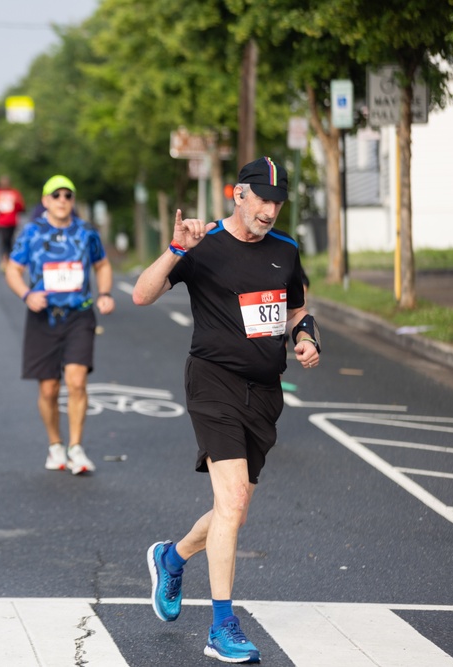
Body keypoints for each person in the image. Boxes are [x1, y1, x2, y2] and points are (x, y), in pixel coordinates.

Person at [132, 157, 321, 664]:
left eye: (278, 203)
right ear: (238, 194)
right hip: (212, 382)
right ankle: (221, 627)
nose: (270, 210)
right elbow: (141, 295)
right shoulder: (204, 243)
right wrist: (175, 250)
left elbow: (296, 307)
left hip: (264, 391)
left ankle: (172, 558)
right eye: (262, 199)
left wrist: (305, 336)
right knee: (233, 500)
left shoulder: (286, 249)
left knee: (229, 510)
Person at [4, 175, 114, 475]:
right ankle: (56, 445)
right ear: (46, 201)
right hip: (44, 316)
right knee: (50, 388)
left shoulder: (86, 232)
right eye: (56, 195)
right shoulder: (32, 233)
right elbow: (13, 269)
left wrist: (104, 293)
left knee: (77, 381)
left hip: (79, 315)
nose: (62, 200)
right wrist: (26, 294)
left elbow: (102, 264)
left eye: (68, 195)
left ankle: (76, 447)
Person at [0, 175, 25, 271]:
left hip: (11, 221)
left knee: (10, 241)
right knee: (1, 241)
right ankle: (4, 260)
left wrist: (17, 203)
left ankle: (10, 260)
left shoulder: (15, 193)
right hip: (0, 222)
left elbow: (21, 207)